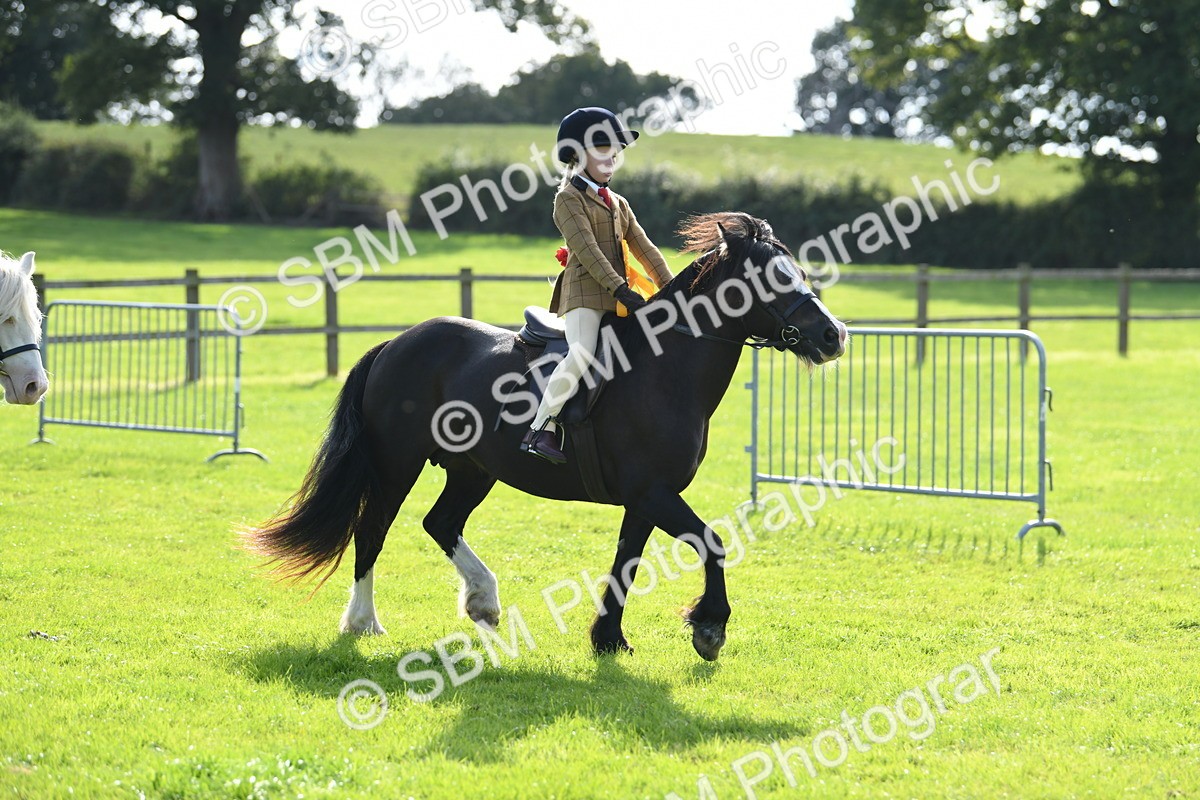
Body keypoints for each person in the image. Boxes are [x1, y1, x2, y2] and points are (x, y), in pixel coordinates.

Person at [520, 107, 674, 464]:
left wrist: (671, 288)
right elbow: (588, 252)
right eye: (603, 150)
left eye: (615, 151)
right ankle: (539, 428)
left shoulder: (618, 202)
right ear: (578, 155)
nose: (612, 158)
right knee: (582, 353)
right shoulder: (567, 199)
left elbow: (645, 247)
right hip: (586, 295)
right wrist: (621, 290)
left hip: (620, 297)